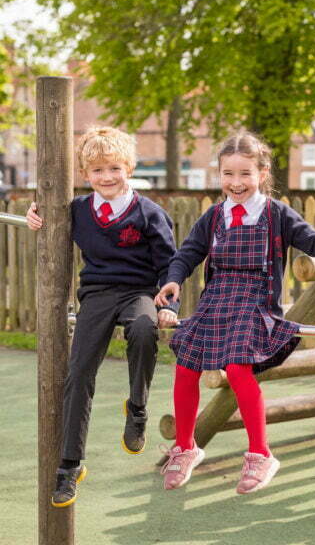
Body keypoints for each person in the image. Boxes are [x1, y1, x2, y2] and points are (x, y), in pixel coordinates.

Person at [154, 131, 315, 494]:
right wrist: (174, 281)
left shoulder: (277, 213)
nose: (236, 183)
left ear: (262, 173)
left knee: (237, 367)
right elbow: (187, 255)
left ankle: (260, 454)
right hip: (216, 300)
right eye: (228, 174)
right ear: (219, 174)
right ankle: (186, 447)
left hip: (255, 302)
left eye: (245, 174)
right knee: (186, 365)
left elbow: (314, 243)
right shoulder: (214, 216)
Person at [26, 126, 179, 507]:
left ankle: (138, 407)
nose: (107, 177)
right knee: (78, 374)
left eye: (114, 168)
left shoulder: (149, 214)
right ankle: (70, 465)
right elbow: (45, 212)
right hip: (96, 295)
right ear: (85, 175)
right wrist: (34, 213)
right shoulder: (77, 210)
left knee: (143, 330)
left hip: (138, 292)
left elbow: (169, 267)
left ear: (129, 167)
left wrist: (167, 306)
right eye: (97, 171)